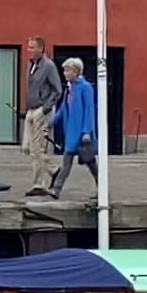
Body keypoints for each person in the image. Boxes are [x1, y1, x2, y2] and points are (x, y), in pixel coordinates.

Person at [38, 56, 99, 199]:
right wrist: (51, 123)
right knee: (66, 163)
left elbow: (89, 110)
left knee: (91, 164)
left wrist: (87, 132)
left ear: (76, 71)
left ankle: (102, 189)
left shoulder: (85, 88)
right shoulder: (69, 89)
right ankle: (56, 190)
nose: (64, 73)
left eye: (67, 71)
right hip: (72, 133)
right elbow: (63, 110)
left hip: (83, 134)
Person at [19, 38, 65, 158]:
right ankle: (52, 170)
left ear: (40, 48)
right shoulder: (30, 64)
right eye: (29, 47)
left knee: (38, 149)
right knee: (26, 147)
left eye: (32, 47)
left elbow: (57, 90)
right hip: (31, 109)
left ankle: (40, 176)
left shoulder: (49, 66)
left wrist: (45, 108)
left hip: (42, 110)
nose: (29, 50)